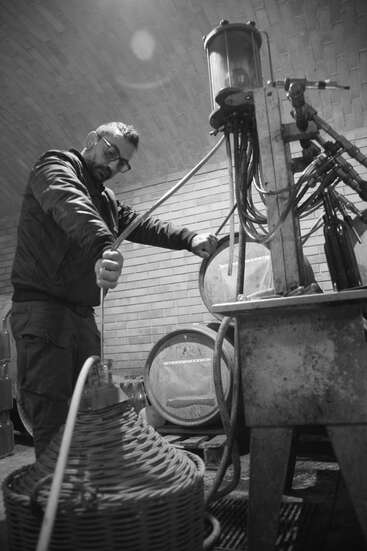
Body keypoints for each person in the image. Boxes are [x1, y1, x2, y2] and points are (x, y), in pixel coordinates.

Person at [10, 121, 218, 459]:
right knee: (53, 416)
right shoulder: (54, 166)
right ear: (92, 140)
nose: (113, 167)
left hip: (80, 315)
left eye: (122, 163)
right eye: (110, 154)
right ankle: (56, 502)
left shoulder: (105, 200)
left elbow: (143, 224)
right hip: (43, 311)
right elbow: (70, 204)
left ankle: (85, 491)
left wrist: (188, 239)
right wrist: (103, 247)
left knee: (91, 411)